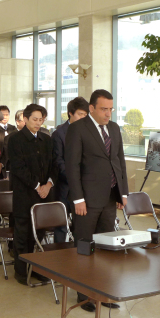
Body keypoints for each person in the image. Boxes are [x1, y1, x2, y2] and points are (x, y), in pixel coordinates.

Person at [65, 89, 127, 312]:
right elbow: (72, 166)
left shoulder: (114, 128)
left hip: (110, 198)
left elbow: (119, 160)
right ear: (91, 108)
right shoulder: (77, 129)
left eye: (110, 109)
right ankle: (84, 295)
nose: (108, 113)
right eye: (103, 109)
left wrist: (123, 193)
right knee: (85, 246)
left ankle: (103, 291)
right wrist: (78, 199)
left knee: (106, 246)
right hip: (87, 200)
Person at [6, 103, 57, 286]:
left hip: (45, 196)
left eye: (41, 120)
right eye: (35, 119)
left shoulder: (47, 139)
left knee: (40, 234)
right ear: (25, 119)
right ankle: (21, 271)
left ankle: (36, 268)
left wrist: (48, 184)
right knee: (24, 235)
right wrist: (37, 186)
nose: (38, 123)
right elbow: (18, 168)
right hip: (25, 195)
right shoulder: (15, 140)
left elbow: (54, 165)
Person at [51, 97, 89, 243]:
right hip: (65, 187)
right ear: (70, 113)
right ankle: (59, 259)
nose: (83, 118)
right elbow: (58, 161)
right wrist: (74, 180)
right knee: (61, 225)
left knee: (81, 226)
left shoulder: (88, 132)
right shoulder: (59, 134)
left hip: (84, 187)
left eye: (86, 115)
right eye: (80, 114)